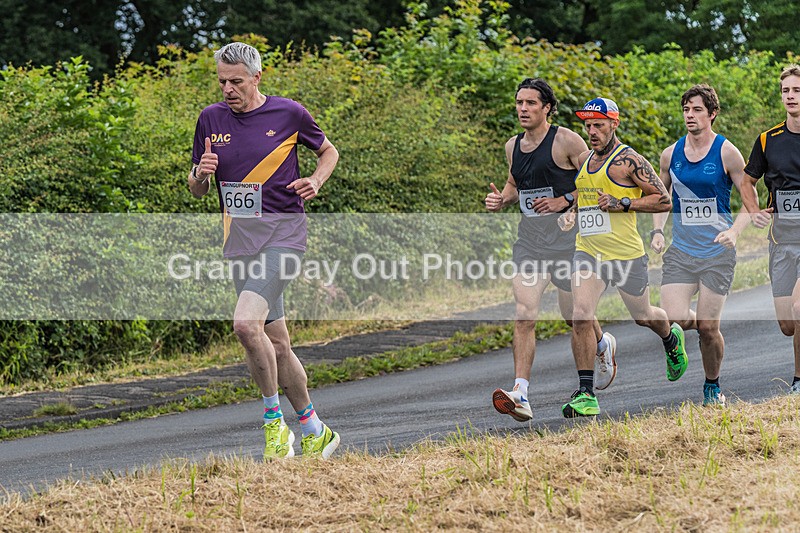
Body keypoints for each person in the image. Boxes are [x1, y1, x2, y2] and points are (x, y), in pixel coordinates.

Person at [188, 42, 340, 459]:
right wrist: (201, 176)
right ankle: (315, 428)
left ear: (257, 78)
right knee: (277, 345)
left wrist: (316, 180)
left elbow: (329, 151)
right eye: (221, 81)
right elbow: (197, 187)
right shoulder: (210, 119)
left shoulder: (288, 113)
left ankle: (275, 426)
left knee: (244, 325)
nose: (227, 89)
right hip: (239, 243)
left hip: (285, 236)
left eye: (235, 81)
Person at [485, 78, 617, 423]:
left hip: (569, 242)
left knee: (575, 316)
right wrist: (502, 198)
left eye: (530, 103)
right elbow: (515, 184)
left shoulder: (566, 140)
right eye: (519, 103)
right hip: (530, 242)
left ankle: (602, 345)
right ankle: (520, 393)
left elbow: (595, 177)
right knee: (524, 312)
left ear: (547, 108)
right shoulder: (512, 146)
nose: (523, 109)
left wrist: (566, 201)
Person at [559, 97, 688, 418]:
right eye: (587, 125)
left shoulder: (628, 160)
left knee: (643, 315)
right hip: (588, 251)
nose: (591, 131)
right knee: (580, 315)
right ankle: (586, 392)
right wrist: (572, 213)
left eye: (598, 125)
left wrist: (624, 204)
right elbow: (587, 195)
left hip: (625, 254)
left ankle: (671, 338)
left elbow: (663, 199)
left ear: (614, 124)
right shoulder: (585, 159)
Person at [650, 84, 754, 407]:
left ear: (712, 113)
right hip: (681, 252)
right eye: (686, 110)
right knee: (675, 318)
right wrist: (657, 231)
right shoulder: (671, 154)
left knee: (709, 329)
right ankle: (691, 331)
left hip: (717, 253)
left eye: (696, 110)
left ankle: (712, 387)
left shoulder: (727, 153)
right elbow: (660, 200)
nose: (690, 115)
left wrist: (735, 232)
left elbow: (750, 201)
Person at [742, 64, 800, 394]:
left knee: (799, 308)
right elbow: (747, 180)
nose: (790, 96)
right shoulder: (768, 139)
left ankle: (798, 379)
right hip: (780, 241)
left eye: (796, 90)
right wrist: (753, 211)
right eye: (786, 91)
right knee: (787, 325)